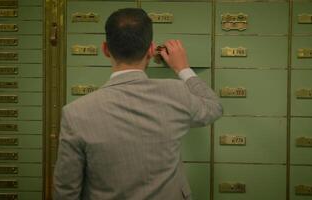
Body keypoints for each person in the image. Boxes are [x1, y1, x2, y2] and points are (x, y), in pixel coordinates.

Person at [54, 8, 222, 200]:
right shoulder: (176, 93)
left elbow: (66, 191)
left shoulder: (75, 113)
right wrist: (183, 69)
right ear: (151, 50)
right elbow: (213, 107)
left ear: (105, 49)